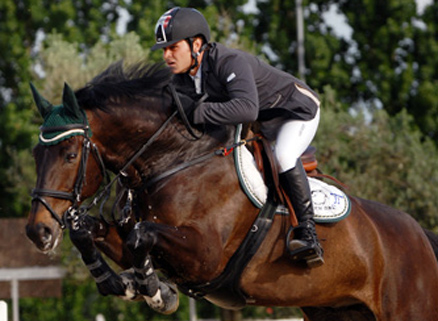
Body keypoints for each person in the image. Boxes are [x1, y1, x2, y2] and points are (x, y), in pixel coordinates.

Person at [151, 7, 324, 267]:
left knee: (284, 155)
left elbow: (246, 108)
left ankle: (308, 232)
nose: (166, 56)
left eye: (173, 48)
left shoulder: (228, 61)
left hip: (295, 112)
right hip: (262, 124)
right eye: (164, 50)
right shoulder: (183, 79)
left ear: (196, 44)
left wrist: (198, 111)